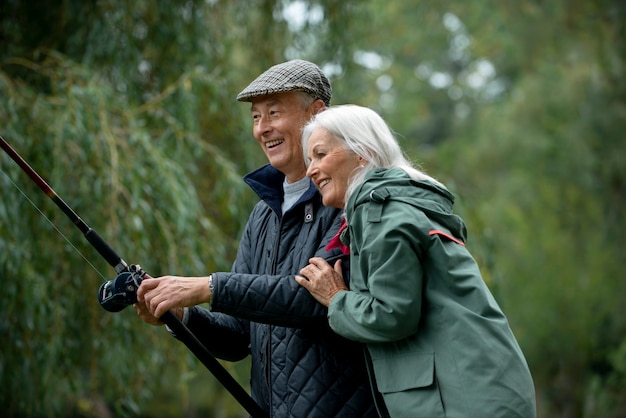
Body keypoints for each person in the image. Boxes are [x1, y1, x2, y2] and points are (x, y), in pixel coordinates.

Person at [134, 61, 377, 417]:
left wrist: (210, 287)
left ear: (317, 113)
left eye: (274, 113)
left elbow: (313, 300)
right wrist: (182, 315)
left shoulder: (347, 199)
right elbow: (238, 335)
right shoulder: (263, 215)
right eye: (255, 117)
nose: (263, 128)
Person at [296, 104, 537, 418]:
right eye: (309, 159)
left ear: (362, 152)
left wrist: (336, 298)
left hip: (466, 400)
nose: (310, 170)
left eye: (320, 154)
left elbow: (393, 315)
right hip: (487, 389)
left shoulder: (382, 213)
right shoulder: (396, 206)